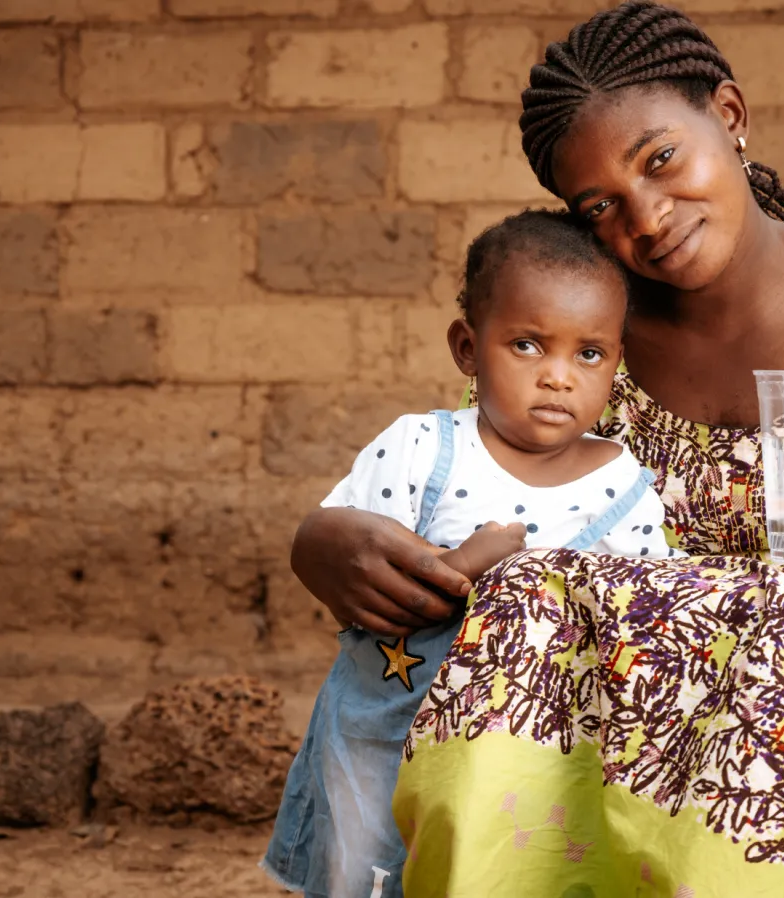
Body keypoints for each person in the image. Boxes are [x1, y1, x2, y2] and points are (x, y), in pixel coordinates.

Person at [292, 3, 784, 896]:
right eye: (602, 206)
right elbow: (460, 495)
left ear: (730, 117)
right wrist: (325, 542)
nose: (650, 217)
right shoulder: (586, 335)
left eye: (661, 159)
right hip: (647, 714)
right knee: (519, 591)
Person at [264, 210, 683, 898]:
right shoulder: (423, 449)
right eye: (527, 345)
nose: (558, 377)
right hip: (384, 737)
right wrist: (469, 562)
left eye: (589, 354)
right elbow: (365, 584)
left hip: (524, 758)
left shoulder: (621, 485)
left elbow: (643, 625)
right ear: (467, 347)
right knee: (362, 878)